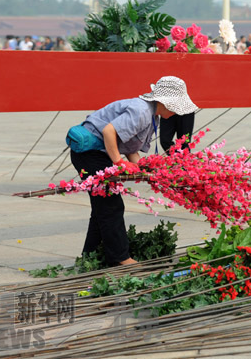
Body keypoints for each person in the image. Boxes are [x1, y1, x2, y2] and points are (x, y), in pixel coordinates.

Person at [69, 76, 198, 266]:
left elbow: (129, 146)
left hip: (99, 153)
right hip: (89, 153)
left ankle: (90, 256)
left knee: (102, 207)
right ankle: (120, 258)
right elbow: (109, 132)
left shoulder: (152, 114)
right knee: (111, 204)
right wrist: (119, 162)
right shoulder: (141, 111)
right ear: (165, 102)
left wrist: (143, 169)